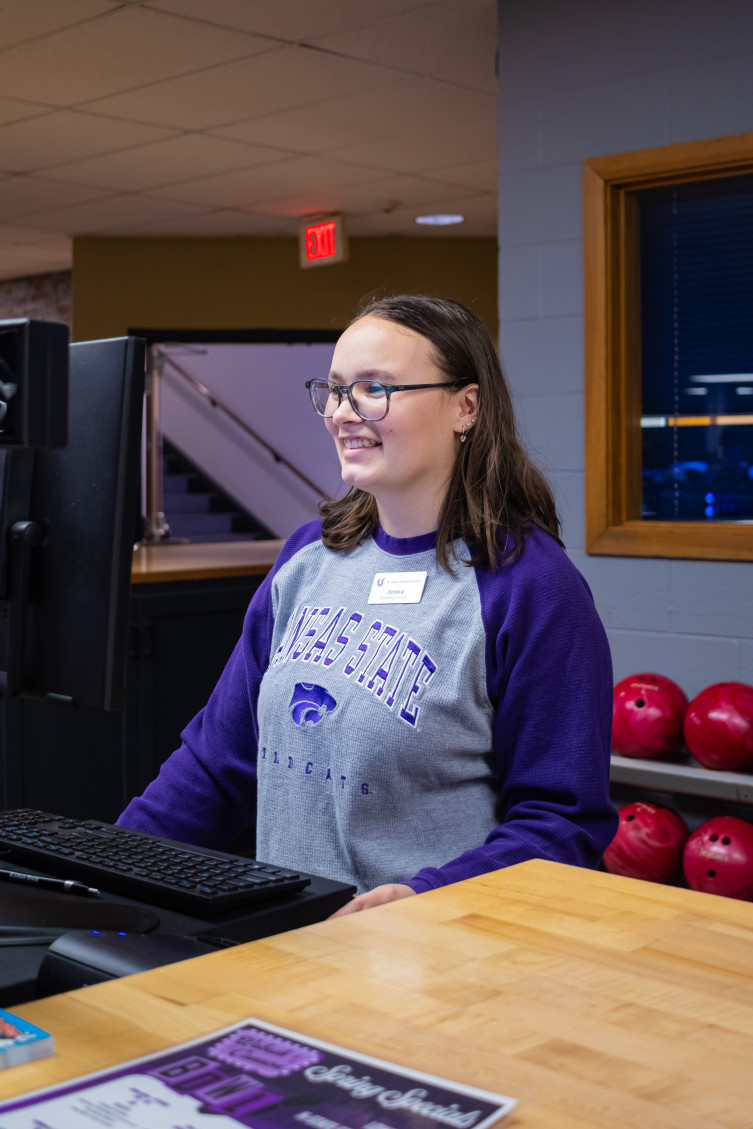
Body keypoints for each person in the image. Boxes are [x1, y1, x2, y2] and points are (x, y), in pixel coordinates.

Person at [118, 294, 617, 916]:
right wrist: (111, 863)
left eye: (374, 389)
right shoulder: (307, 559)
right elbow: (219, 761)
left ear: (467, 406)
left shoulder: (531, 587)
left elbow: (562, 823)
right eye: (333, 390)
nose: (342, 413)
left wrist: (421, 900)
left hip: (438, 958)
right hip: (293, 941)